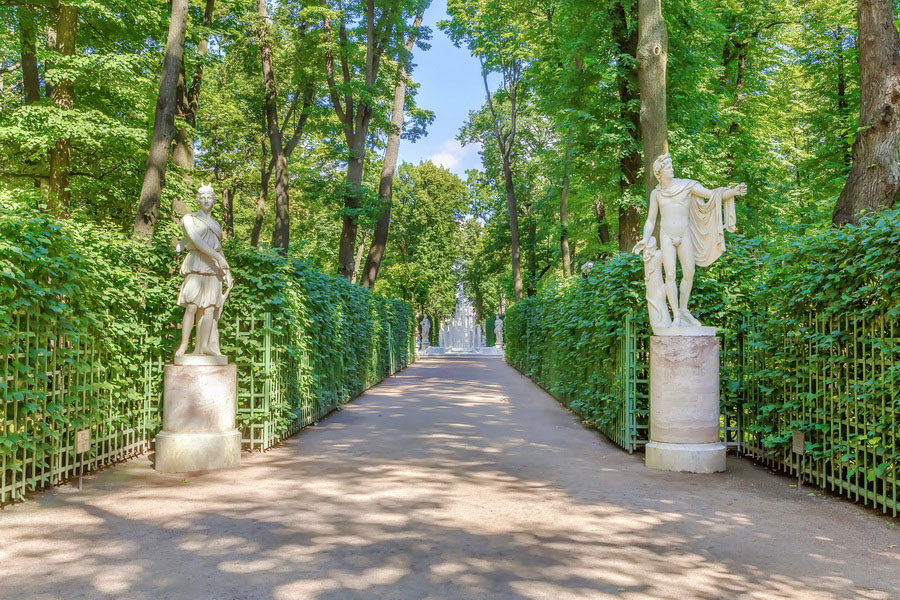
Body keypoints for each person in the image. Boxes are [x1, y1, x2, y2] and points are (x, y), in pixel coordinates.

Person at [633, 154, 746, 328]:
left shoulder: (686, 185)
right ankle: (676, 315)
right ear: (659, 172)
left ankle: (684, 311)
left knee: (689, 272)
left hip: (684, 234)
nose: (672, 169)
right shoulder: (656, 194)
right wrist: (645, 238)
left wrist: (734, 191)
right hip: (667, 235)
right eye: (668, 167)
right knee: (670, 275)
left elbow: (713, 195)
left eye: (671, 166)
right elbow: (651, 219)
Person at [174, 184, 234, 357]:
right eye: (203, 197)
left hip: (214, 268)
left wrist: (227, 272)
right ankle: (184, 345)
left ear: (214, 201)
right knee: (192, 306)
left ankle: (204, 347)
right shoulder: (189, 219)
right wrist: (219, 259)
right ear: (198, 200)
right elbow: (197, 241)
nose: (206, 200)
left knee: (209, 309)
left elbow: (218, 248)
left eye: (209, 197)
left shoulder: (215, 224)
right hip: (197, 264)